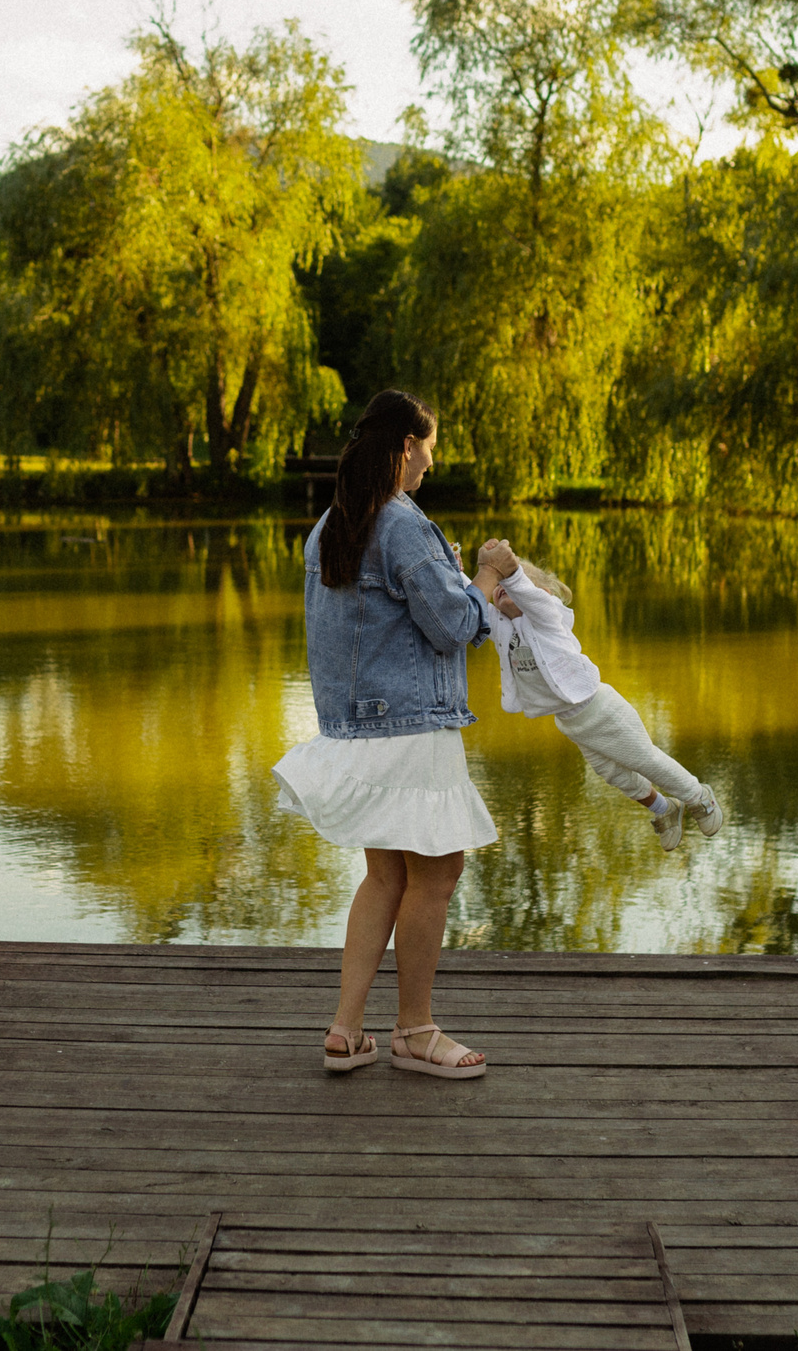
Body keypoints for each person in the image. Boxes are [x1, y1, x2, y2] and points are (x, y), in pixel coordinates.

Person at [274, 389, 516, 1080]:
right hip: (413, 726)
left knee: (386, 872)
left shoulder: (331, 524)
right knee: (438, 871)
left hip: (359, 727)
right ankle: (414, 1030)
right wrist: (485, 577)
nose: (432, 462)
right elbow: (453, 625)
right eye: (430, 447)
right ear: (406, 446)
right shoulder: (403, 523)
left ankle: (345, 1031)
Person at [484, 558, 727, 849]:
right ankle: (666, 809)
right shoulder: (502, 628)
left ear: (538, 594)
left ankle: (700, 798)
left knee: (644, 759)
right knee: (614, 775)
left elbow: (527, 594)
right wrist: (450, 565)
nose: (501, 589)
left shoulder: (547, 617)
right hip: (572, 723)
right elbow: (470, 601)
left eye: (510, 584)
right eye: (498, 586)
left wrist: (507, 568)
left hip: (600, 709)